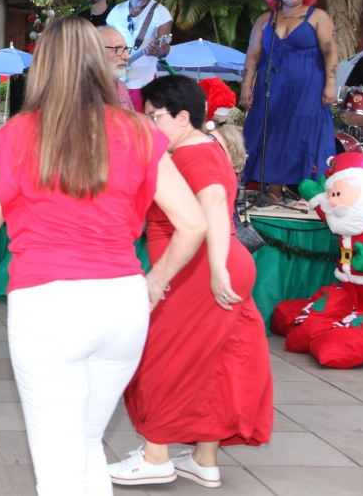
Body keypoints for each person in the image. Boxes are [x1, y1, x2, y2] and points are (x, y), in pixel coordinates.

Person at [0, 16, 206, 495]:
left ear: (44, 67)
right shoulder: (139, 131)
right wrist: (155, 282)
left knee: (60, 469)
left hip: (49, 305)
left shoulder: (22, 132)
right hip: (123, 301)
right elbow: (194, 223)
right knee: (83, 444)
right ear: (99, 62)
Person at [109, 75, 272, 489]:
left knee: (164, 358)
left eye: (155, 117)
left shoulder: (190, 153)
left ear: (182, 117)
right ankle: (203, 459)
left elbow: (213, 202)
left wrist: (216, 268)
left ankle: (156, 456)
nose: (149, 125)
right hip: (216, 265)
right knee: (212, 363)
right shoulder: (206, 145)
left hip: (197, 270)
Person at [241, 0, 337, 206]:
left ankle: (309, 194)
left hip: (309, 89)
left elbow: (330, 52)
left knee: (306, 136)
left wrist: (330, 85)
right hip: (272, 89)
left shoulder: (318, 16)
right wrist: (246, 86)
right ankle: (274, 191)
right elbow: (253, 54)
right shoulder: (265, 20)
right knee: (272, 135)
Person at [106, 0, 173, 90]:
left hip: (144, 82)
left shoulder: (160, 12)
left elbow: (164, 47)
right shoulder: (117, 11)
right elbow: (106, 41)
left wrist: (158, 51)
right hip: (117, 80)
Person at [97, 26, 134, 110]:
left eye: (126, 49)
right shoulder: (81, 90)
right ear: (97, 50)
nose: (127, 57)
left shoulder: (121, 86)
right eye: (118, 49)